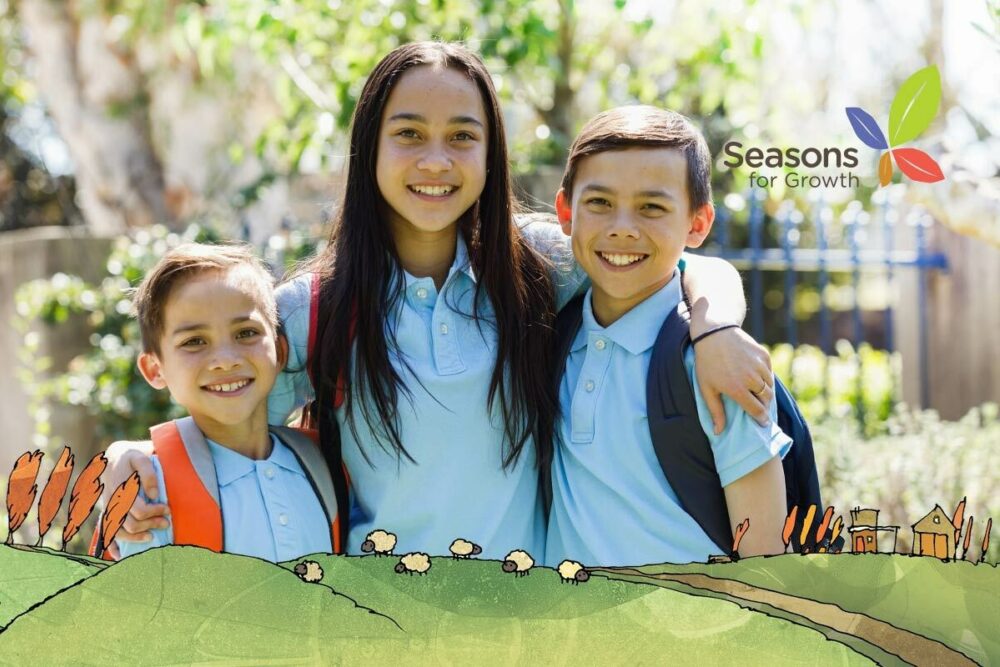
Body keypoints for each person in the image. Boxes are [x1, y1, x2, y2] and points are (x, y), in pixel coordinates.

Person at [104, 43, 773, 561]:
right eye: (409, 134)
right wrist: (131, 451)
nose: (435, 160)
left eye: (461, 135)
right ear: (370, 147)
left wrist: (714, 327)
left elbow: (679, 260)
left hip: (528, 626)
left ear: (490, 153)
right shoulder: (317, 308)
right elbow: (225, 405)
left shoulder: (535, 266)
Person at [545, 106, 789, 567]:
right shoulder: (555, 332)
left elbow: (768, 563)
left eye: (651, 207)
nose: (622, 226)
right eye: (599, 202)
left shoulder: (717, 366)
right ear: (565, 211)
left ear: (697, 224)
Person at [96, 243, 342, 563]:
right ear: (155, 370)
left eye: (246, 333)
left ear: (280, 351)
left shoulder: (322, 464)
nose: (225, 360)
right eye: (194, 341)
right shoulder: (149, 492)